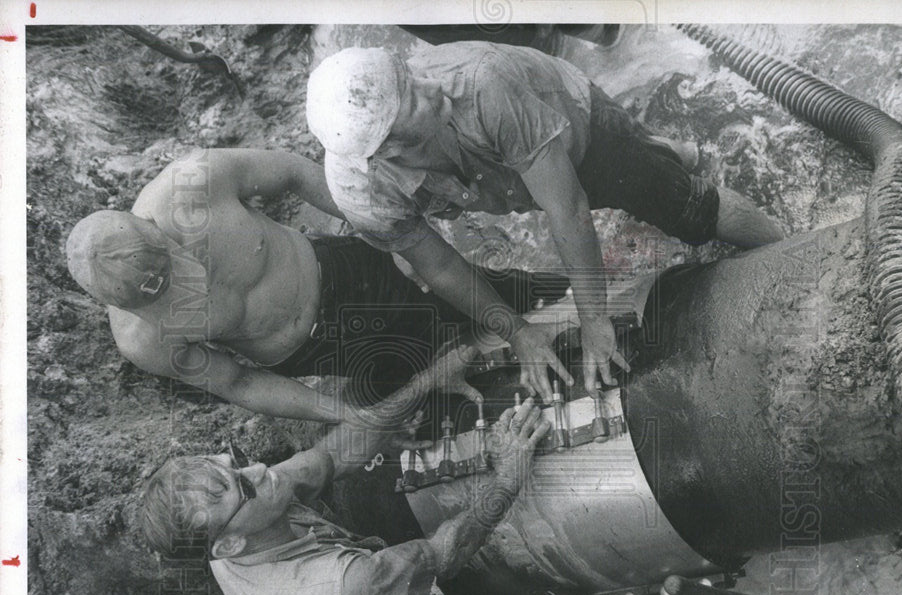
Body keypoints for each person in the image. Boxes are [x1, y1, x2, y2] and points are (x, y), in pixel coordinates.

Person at [306, 43, 785, 400]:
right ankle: (663, 150)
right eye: (413, 100)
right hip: (495, 174)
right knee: (620, 170)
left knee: (687, 209)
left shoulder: (481, 85)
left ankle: (794, 252)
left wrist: (595, 319)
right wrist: (517, 331)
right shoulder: (363, 193)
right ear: (387, 150)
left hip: (570, 118)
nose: (431, 87)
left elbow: (568, 209)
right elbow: (440, 268)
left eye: (410, 77)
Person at [66, 148, 572, 421]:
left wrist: (385, 233)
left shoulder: (192, 185)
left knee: (503, 294)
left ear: (150, 225)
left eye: (169, 263)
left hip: (351, 272)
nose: (180, 282)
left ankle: (584, 296)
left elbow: (293, 174)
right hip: (316, 355)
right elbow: (236, 382)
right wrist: (340, 415)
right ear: (124, 307)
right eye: (156, 293)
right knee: (444, 394)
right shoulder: (142, 340)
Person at [140, 391, 620, 595]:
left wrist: (427, 383)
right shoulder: (338, 589)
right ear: (228, 545)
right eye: (238, 484)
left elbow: (323, 460)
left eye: (231, 459)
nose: (259, 467)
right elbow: (446, 552)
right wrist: (508, 477)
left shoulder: (228, 526)